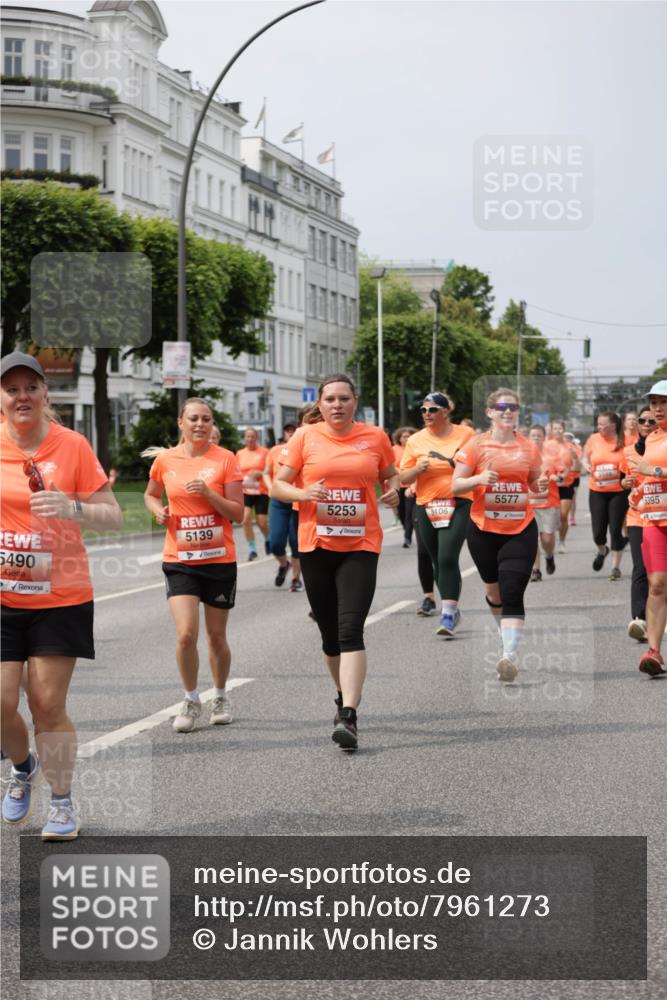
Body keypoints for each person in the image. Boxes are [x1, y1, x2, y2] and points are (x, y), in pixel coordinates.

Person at [1, 352, 122, 840]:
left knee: (47, 704)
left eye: (31, 387)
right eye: (12, 389)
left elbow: (113, 515)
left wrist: (72, 507)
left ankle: (62, 802)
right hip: (3, 595)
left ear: (44, 393)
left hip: (60, 596)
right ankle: (22, 765)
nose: (22, 396)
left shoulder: (71, 445)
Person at [271, 374, 399, 750]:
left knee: (350, 630)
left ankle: (349, 714)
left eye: (344, 398)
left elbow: (391, 477)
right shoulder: (304, 437)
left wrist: (393, 493)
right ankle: (343, 693)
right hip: (316, 545)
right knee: (330, 637)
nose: (337, 405)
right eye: (330, 399)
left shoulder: (375, 437)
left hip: (361, 544)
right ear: (320, 404)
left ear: (355, 401)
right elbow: (277, 485)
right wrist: (303, 493)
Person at [144, 398, 244, 732]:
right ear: (181, 423)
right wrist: (157, 512)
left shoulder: (225, 459)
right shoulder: (165, 460)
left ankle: (220, 695)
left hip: (218, 560)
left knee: (216, 637)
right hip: (180, 560)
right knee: (186, 634)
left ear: (212, 423)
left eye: (206, 419)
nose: (200, 424)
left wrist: (209, 494)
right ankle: (190, 698)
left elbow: (238, 513)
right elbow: (151, 494)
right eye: (193, 419)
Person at [452, 388, 545, 682]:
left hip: (520, 528)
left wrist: (540, 485)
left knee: (513, 590)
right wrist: (479, 478)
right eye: (501, 407)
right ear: (490, 412)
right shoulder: (476, 445)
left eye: (513, 407)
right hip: (483, 529)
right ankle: (505, 636)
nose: (507, 412)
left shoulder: (528, 447)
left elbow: (534, 482)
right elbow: (455, 485)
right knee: (494, 593)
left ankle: (509, 655)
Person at [399, 393, 474, 636]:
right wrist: (417, 469)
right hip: (427, 504)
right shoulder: (416, 440)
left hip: (459, 502)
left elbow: (481, 463)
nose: (427, 414)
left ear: (445, 411)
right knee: (436, 560)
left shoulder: (466, 435)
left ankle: (448, 613)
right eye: (423, 410)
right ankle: (452, 608)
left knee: (447, 557)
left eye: (432, 409)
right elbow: (403, 477)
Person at [626, 381, 667, 675]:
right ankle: (653, 652)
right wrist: (638, 491)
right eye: (654, 403)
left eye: (664, 402)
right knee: (657, 584)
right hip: (654, 520)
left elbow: (653, 471)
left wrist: (652, 470)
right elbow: (649, 478)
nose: (657, 408)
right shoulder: (651, 438)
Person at [620, 405, 656, 642]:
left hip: (661, 516)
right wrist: (625, 484)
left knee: (660, 571)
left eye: (651, 421)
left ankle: (659, 615)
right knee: (640, 567)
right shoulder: (628, 451)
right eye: (642, 421)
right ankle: (639, 619)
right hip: (637, 517)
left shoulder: (663, 446)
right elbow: (623, 480)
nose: (645, 425)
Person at [582, 411, 628, 580]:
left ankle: (615, 567)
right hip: (597, 491)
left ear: (613, 425)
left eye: (603, 424)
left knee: (615, 530)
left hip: (618, 492)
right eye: (598, 424)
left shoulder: (624, 441)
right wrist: (586, 465)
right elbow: (584, 458)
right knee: (598, 533)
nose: (599, 427)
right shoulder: (593, 439)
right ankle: (602, 550)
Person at [263, 423, 302, 591]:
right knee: (275, 543)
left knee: (295, 543)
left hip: (297, 501)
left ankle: (295, 578)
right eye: (288, 431)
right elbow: (266, 473)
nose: (290, 433)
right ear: (284, 434)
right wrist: (270, 487)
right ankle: (284, 564)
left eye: (294, 431)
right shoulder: (275, 450)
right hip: (278, 502)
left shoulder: (302, 449)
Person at [527, 424, 569, 581]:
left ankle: (549, 556)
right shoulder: (523, 457)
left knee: (547, 538)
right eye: (533, 435)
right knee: (532, 539)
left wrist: (558, 477)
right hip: (528, 505)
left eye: (539, 436)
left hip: (549, 503)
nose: (536, 438)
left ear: (544, 438)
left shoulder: (550, 456)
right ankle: (535, 570)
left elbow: (564, 470)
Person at [236, 427, 269, 561]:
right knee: (245, 519)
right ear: (244, 438)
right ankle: (252, 549)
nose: (250, 439)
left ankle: (268, 539)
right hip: (246, 491)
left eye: (252, 436)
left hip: (261, 491)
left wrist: (259, 473)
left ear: (257, 438)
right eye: (247, 437)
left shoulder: (265, 452)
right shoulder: (240, 453)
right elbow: (236, 471)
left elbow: (270, 470)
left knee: (262, 522)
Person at [546, 420, 579, 551]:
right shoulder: (546, 445)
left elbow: (577, 468)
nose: (558, 431)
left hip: (566, 484)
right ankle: (550, 540)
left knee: (563, 515)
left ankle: (561, 541)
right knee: (550, 517)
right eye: (555, 428)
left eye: (560, 428)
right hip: (550, 486)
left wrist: (575, 458)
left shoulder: (570, 447)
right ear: (551, 430)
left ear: (564, 430)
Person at [392, 427, 417, 547]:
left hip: (411, 485)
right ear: (399, 438)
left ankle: (407, 537)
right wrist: (401, 472)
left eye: (409, 436)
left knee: (409, 513)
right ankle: (405, 528)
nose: (407, 438)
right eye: (404, 436)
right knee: (401, 512)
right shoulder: (394, 450)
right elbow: (390, 465)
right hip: (398, 484)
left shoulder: (416, 449)